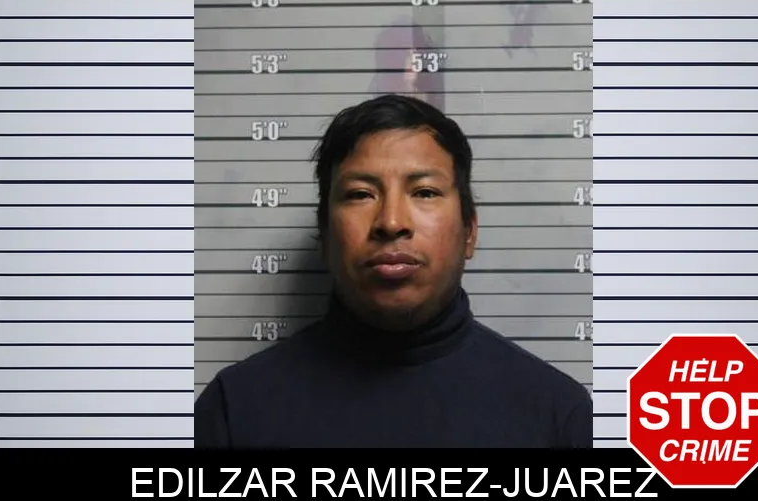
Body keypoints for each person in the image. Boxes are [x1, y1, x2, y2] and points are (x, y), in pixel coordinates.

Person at [194, 94, 593, 448]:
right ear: (325, 233)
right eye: (360, 194)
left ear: (469, 231)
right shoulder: (233, 412)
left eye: (424, 192)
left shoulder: (559, 417)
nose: (390, 222)